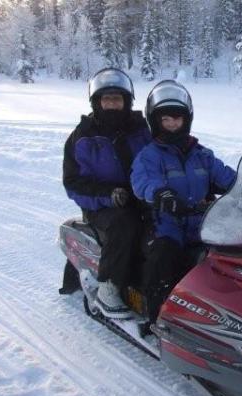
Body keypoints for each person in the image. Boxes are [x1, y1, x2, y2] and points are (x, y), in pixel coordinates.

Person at [131, 80, 236, 324]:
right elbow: (143, 181)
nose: (171, 124)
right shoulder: (149, 155)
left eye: (176, 119)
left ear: (186, 119)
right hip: (165, 223)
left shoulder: (202, 155)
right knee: (164, 257)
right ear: (155, 121)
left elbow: (227, 177)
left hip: (204, 224)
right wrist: (161, 194)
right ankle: (156, 317)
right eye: (165, 119)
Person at [63, 67, 152, 319]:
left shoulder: (142, 130)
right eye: (107, 98)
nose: (112, 104)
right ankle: (109, 288)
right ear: (96, 102)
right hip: (102, 207)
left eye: (117, 98)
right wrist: (107, 194)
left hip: (142, 197)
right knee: (125, 221)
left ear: (126, 101)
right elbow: (73, 183)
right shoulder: (82, 137)